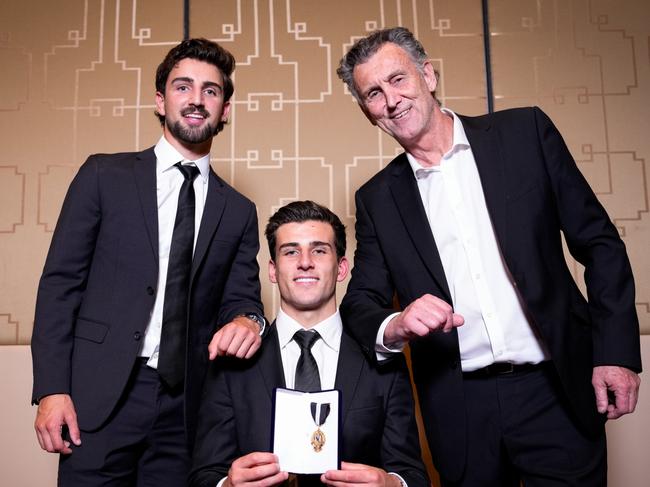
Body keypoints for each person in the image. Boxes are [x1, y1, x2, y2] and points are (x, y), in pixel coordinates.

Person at [337, 27, 642, 486]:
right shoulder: (377, 199)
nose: (392, 100)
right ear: (367, 112)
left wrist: (615, 353)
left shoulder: (525, 134)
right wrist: (396, 323)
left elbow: (600, 244)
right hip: (461, 410)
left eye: (398, 80)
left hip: (556, 390)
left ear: (428, 74)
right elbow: (359, 304)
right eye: (374, 94)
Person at [31, 38, 266, 486]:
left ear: (226, 109)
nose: (196, 99)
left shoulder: (237, 211)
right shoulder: (103, 175)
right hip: (98, 396)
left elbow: (242, 299)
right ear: (160, 101)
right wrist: (51, 389)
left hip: (187, 407)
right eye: (183, 87)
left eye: (211, 91)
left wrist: (250, 321)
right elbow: (60, 285)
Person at [189, 200, 429, 487]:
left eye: (319, 250)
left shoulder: (383, 359)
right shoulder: (233, 361)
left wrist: (391, 484)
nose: (305, 261)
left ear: (341, 269)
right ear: (272, 271)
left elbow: (413, 474)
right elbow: (202, 476)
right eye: (291, 251)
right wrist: (227, 485)